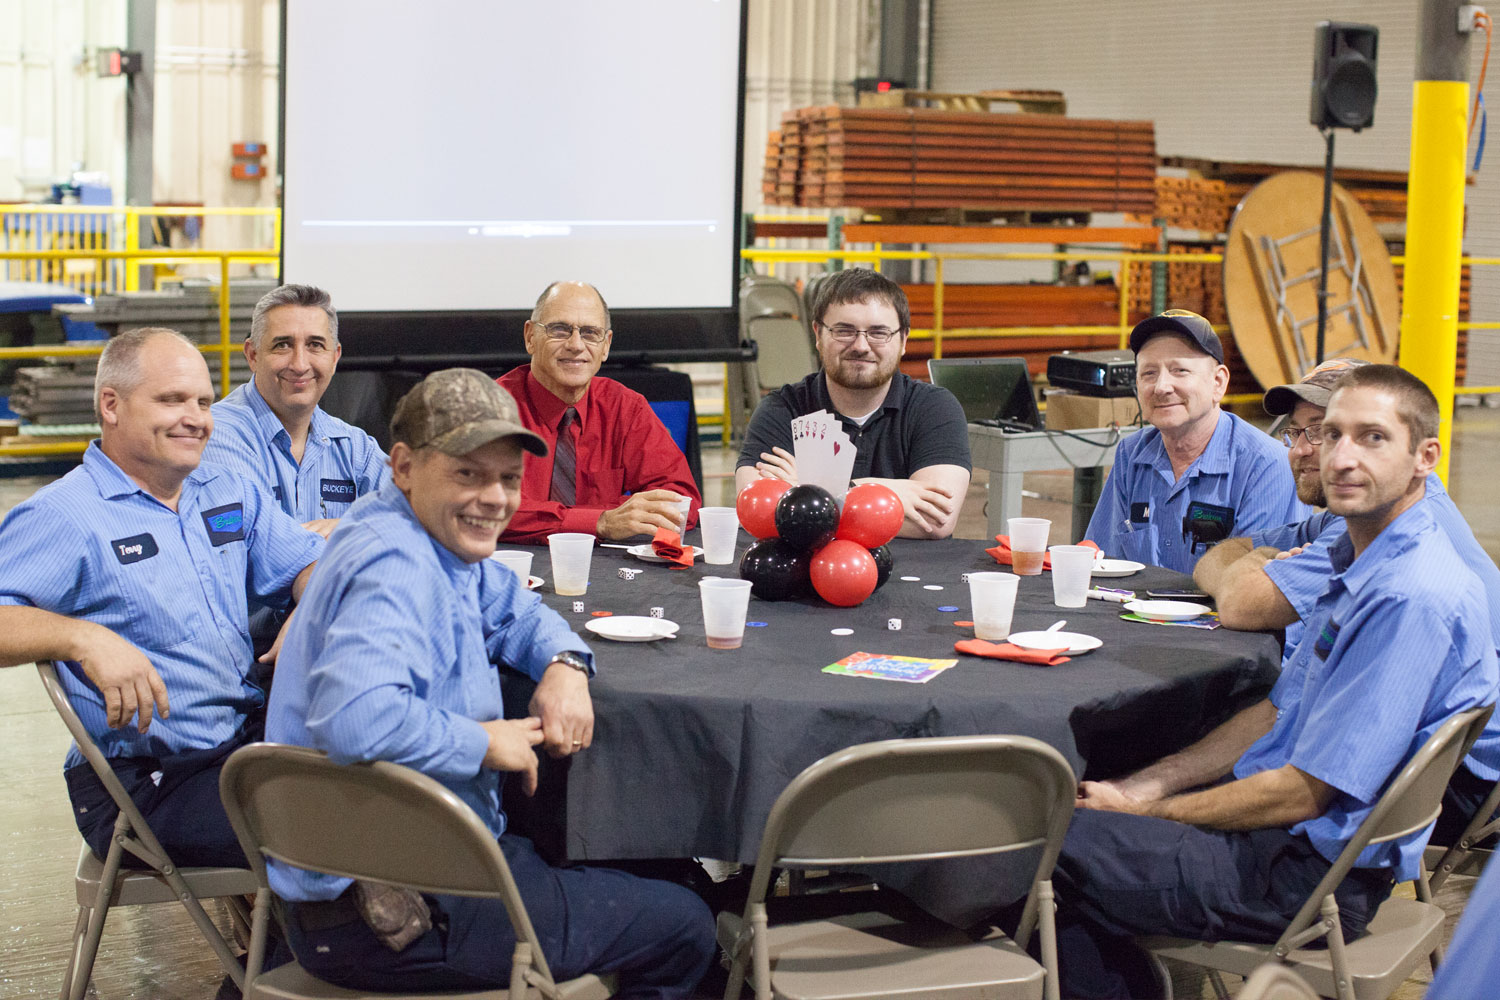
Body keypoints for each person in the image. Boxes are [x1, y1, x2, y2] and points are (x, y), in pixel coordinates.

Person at [1044, 365, 1497, 999]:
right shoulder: (1361, 556)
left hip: (1299, 875)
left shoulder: (1408, 596)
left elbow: (1302, 793)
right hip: (1291, 839)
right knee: (1102, 804)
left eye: (1371, 438)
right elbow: (1278, 712)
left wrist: (1160, 812)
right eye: (1325, 434)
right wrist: (1143, 787)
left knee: (1039, 845)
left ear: (1426, 458)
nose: (1337, 456)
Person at [265, 368, 714, 997]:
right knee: (687, 926)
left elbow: (514, 608)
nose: (494, 498)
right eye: (467, 474)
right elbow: (356, 721)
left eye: (507, 478)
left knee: (645, 869)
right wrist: (482, 741)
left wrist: (564, 664)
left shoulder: (418, 528)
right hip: (393, 912)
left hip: (412, 865)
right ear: (403, 466)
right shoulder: (392, 567)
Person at [0, 327, 322, 867]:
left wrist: (310, 607)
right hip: (146, 786)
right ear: (111, 405)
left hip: (243, 746)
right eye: (172, 400)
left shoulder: (224, 490)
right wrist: (82, 637)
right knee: (337, 827)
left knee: (399, 776)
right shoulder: (65, 516)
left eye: (202, 401)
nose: (195, 417)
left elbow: (313, 561)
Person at [1195, 359, 1500, 846]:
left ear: (1419, 455)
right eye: (1314, 433)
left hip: (1457, 784)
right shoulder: (1350, 520)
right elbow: (1218, 558)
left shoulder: (1390, 534)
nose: (1310, 452)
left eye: (1325, 432)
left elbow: (1239, 603)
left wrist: (1155, 807)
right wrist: (1258, 559)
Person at [735, 267, 972, 539]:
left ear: (903, 340)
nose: (860, 345)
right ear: (818, 334)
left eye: (878, 332)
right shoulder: (781, 410)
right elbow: (759, 511)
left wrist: (806, 490)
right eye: (844, 331)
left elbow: (935, 520)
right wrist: (881, 492)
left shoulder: (934, 409)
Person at [1083, 309, 1307, 572]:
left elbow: (1256, 589)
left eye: (1179, 370)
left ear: (1218, 383)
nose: (1161, 387)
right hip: (1135, 612)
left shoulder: (1267, 465)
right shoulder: (1131, 454)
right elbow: (1102, 563)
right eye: (1149, 373)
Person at [496, 281, 701, 544]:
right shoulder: (492, 408)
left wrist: (623, 515)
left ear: (606, 345)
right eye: (559, 330)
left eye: (590, 333)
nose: (576, 344)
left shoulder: (625, 408)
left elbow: (682, 501)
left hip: (605, 572)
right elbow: (481, 505)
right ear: (530, 337)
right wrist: (602, 520)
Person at [202, 283, 388, 540]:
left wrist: (353, 525)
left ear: (334, 358)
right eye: (282, 345)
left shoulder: (353, 447)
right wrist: (359, 531)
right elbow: (263, 545)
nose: (300, 364)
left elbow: (419, 513)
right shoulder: (220, 434)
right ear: (252, 355)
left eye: (315, 345)